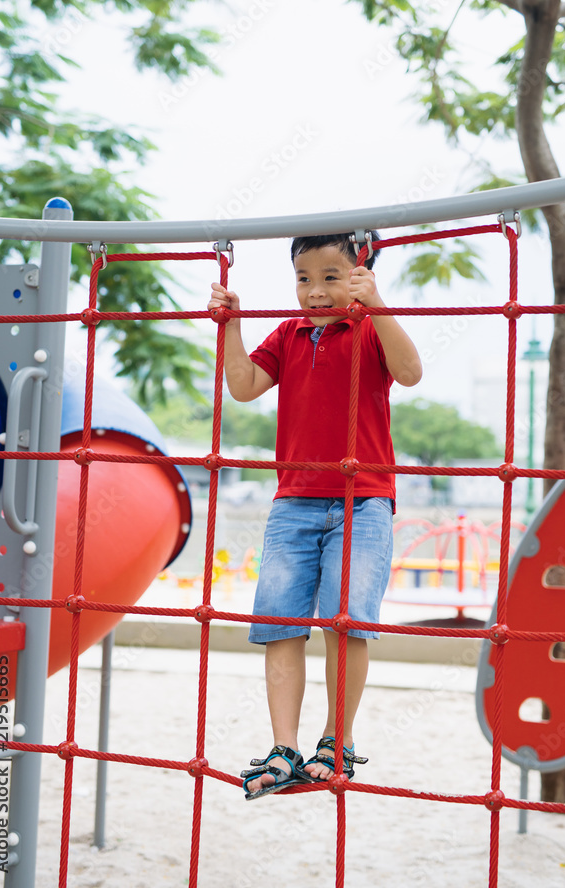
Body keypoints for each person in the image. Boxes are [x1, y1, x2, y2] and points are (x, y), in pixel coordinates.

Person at [208, 231, 422, 800]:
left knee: (346, 619)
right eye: (305, 279)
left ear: (358, 275)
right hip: (294, 501)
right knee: (280, 622)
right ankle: (284, 748)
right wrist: (231, 326)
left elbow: (411, 371)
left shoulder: (370, 328)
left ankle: (337, 741)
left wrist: (376, 304)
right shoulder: (288, 333)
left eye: (331, 277)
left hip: (364, 499)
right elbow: (244, 386)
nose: (316, 292)